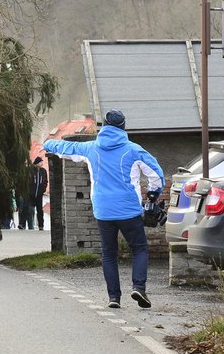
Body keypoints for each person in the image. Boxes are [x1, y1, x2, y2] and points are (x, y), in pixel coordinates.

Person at [43, 109, 163, 309]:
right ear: (123, 127)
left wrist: (48, 143)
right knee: (139, 249)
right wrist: (153, 195)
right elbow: (156, 175)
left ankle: (114, 298)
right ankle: (138, 288)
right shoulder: (134, 150)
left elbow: (66, 148)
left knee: (109, 254)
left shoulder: (92, 148)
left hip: (103, 210)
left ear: (104, 127)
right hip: (129, 210)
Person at [30, 156, 49, 231]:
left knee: (39, 210)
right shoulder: (31, 170)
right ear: (37, 163)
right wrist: (30, 190)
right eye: (41, 162)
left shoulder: (43, 171)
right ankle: (27, 224)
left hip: (39, 194)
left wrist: (43, 189)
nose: (42, 163)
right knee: (29, 209)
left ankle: (41, 225)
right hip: (31, 193)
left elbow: (45, 181)